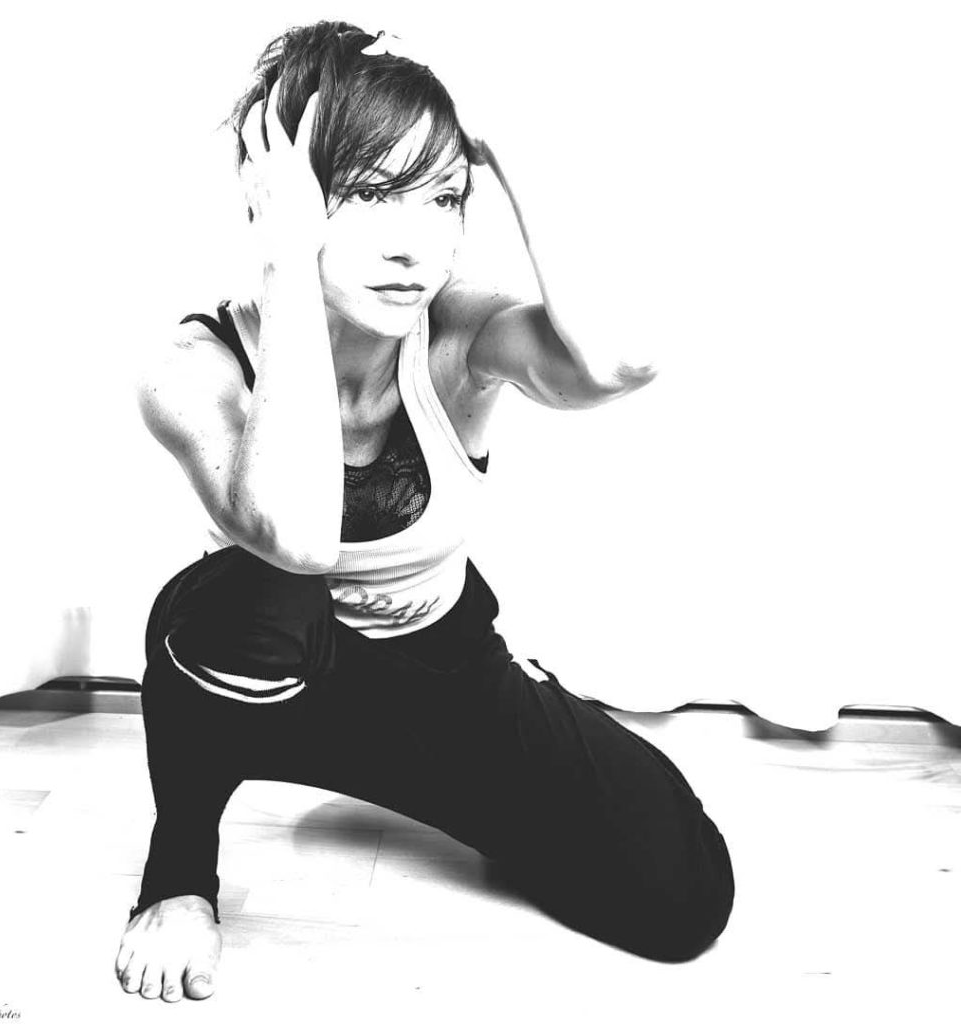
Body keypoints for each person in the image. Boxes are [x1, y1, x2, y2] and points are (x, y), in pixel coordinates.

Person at [114, 20, 735, 1002]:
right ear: (281, 198)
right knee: (248, 591)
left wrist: (507, 143)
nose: (417, 245)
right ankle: (179, 871)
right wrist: (286, 262)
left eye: (443, 197)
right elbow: (298, 537)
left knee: (683, 897)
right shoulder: (192, 368)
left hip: (443, 674)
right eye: (369, 194)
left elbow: (623, 361)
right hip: (267, 684)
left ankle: (521, 742)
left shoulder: (455, 334)